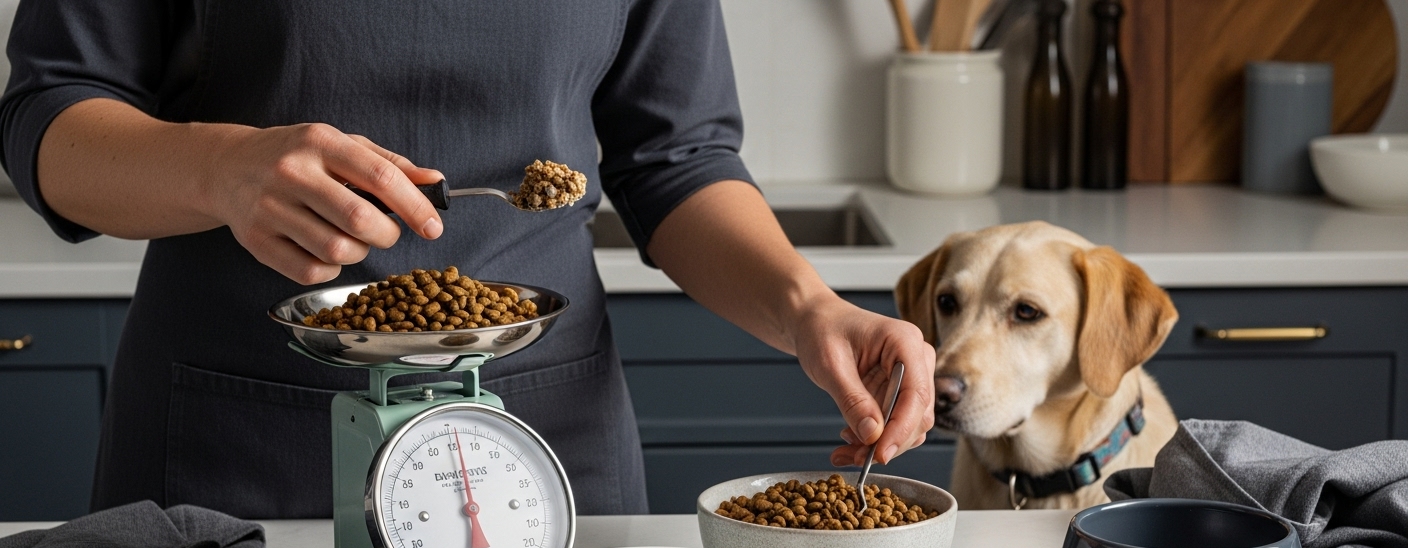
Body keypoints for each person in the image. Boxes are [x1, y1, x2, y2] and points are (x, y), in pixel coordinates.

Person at [0, 1, 935, 518]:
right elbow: (47, 120)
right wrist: (221, 168)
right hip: (237, 449)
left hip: (542, 447)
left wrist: (810, 306)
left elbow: (675, 157)